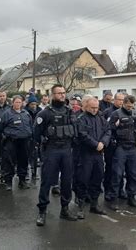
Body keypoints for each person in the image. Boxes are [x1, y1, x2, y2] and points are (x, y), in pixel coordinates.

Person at [34, 84, 77, 226]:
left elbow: (75, 131)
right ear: (53, 95)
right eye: (59, 93)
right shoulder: (45, 113)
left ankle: (65, 209)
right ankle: (42, 211)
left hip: (66, 150)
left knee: (66, 181)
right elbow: (36, 134)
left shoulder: (69, 112)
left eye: (64, 93)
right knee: (47, 181)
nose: (62, 95)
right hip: (51, 150)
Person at [74, 96, 110, 219]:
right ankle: (80, 207)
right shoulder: (81, 119)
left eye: (96, 107)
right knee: (83, 180)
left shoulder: (101, 118)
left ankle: (94, 205)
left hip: (98, 155)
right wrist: (96, 145)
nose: (95, 110)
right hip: (85, 154)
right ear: (85, 107)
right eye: (92, 108)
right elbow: (82, 135)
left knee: (97, 178)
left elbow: (108, 131)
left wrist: (103, 142)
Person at [107, 95, 136, 210]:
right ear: (124, 103)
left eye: (131, 106)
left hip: (133, 147)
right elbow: (108, 129)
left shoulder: (135, 113)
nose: (129, 108)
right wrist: (115, 127)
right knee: (117, 174)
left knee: (134, 174)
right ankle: (114, 199)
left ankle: (132, 196)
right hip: (120, 146)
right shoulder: (116, 114)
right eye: (127, 106)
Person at [0, 95, 33, 191]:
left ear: (22, 103)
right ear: (12, 103)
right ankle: (8, 182)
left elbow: (30, 125)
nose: (18, 104)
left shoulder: (26, 113)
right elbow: (0, 127)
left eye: (20, 102)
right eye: (16, 102)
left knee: (23, 161)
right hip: (11, 141)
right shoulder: (7, 114)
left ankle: (22, 181)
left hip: (24, 141)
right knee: (9, 161)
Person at [102, 92, 126, 201]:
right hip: (111, 144)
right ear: (114, 100)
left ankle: (120, 190)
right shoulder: (107, 112)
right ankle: (108, 190)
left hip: (122, 144)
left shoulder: (125, 112)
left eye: (123, 100)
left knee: (120, 169)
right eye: (119, 100)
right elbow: (105, 128)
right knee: (110, 168)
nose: (121, 102)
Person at [25, 95, 42, 179]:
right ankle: (26, 173)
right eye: (32, 104)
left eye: (35, 104)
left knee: (35, 155)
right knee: (26, 155)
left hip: (36, 136)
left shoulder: (40, 111)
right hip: (27, 136)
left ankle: (34, 173)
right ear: (29, 104)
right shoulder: (24, 111)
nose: (33, 106)